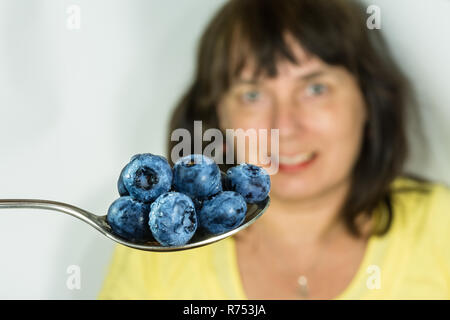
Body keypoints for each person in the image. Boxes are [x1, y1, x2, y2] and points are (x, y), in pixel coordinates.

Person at [98, 0, 450, 299]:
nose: (284, 125)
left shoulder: (441, 227)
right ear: (216, 118)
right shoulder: (157, 247)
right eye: (252, 94)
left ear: (369, 102)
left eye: (315, 88)